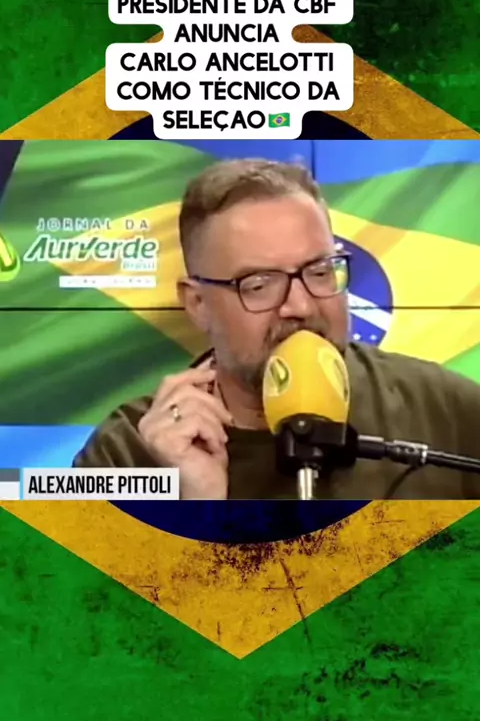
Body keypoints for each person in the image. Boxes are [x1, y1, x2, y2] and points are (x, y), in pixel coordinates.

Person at [73, 158, 480, 498]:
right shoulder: (124, 455)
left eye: (319, 272)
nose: (300, 306)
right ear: (198, 304)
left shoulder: (447, 412)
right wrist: (198, 514)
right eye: (259, 285)